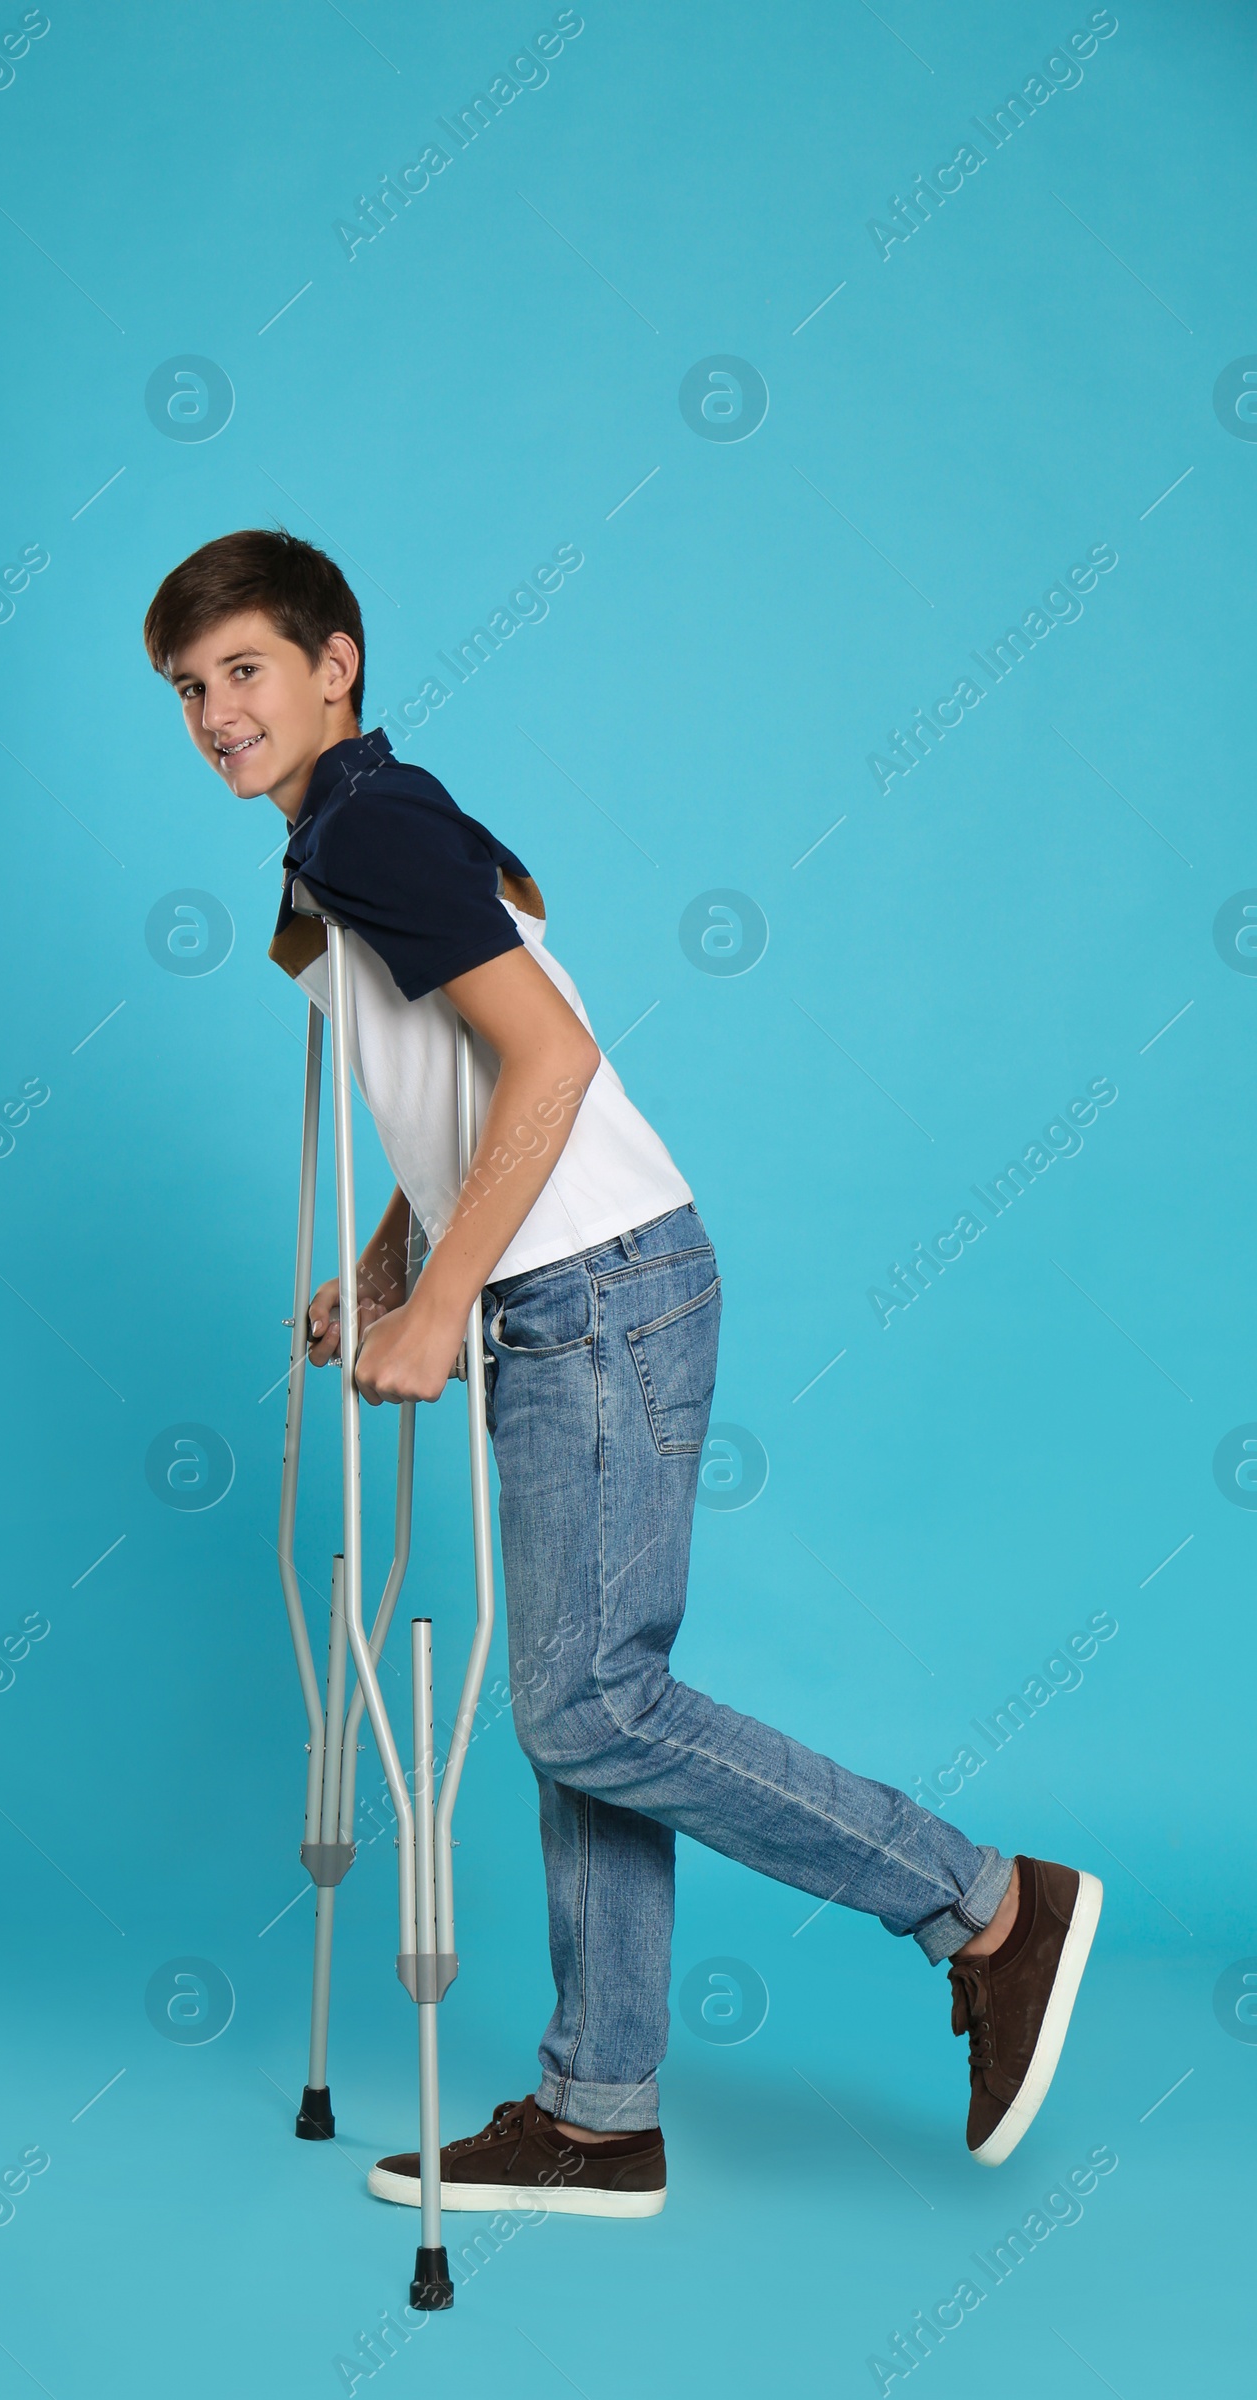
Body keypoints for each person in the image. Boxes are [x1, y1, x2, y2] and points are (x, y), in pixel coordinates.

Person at [141, 526, 1103, 2219]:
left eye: (245, 672)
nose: (218, 713)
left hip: (589, 1290)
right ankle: (599, 2112)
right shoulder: (358, 826)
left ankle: (987, 1900)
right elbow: (461, 1089)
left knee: (588, 1704)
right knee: (587, 1716)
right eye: (190, 691)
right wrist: (386, 1273)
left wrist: (437, 1308)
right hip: (581, 1284)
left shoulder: (371, 824)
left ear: (335, 662)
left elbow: (552, 1059)